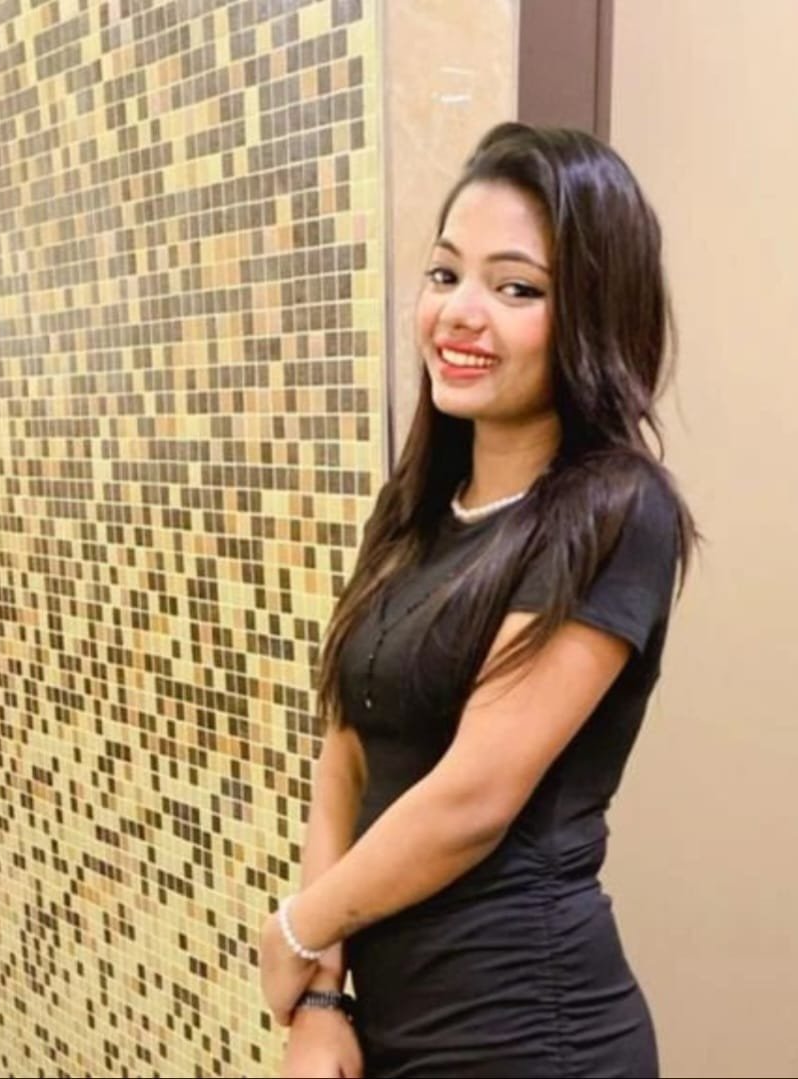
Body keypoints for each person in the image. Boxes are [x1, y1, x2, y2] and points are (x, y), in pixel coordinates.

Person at [259, 122, 697, 1079]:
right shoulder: (414, 507)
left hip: (532, 1036)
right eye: (446, 273)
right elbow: (347, 752)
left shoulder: (617, 511)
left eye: (517, 288)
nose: (460, 313)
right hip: (394, 1026)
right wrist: (322, 997)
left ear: (591, 315)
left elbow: (473, 799)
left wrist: (297, 927)